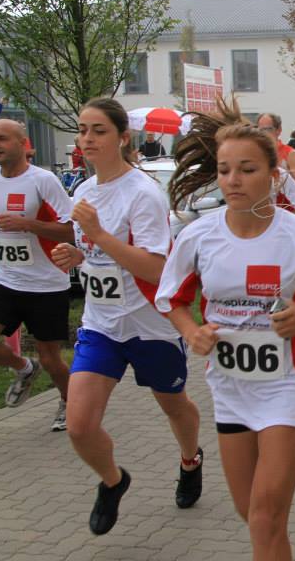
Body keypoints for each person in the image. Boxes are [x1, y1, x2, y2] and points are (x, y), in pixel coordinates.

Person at [157, 98, 295, 560]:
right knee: (253, 515)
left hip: (288, 385)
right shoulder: (198, 236)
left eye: (247, 169)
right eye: (225, 170)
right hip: (230, 387)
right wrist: (191, 332)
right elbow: (170, 298)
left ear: (273, 176)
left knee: (266, 516)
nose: (233, 180)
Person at [51, 98, 203, 535]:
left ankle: (190, 460)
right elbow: (101, 256)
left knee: (174, 405)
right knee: (79, 426)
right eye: (83, 130)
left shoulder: (143, 194)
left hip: (149, 325)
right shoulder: (84, 191)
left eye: (98, 130)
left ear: (122, 138)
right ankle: (113, 481)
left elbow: (155, 268)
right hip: (102, 325)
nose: (87, 139)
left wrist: (98, 235)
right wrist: (79, 254)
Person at [0, 119, 74, 430]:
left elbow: (72, 230)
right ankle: (23, 367)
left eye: (2, 138)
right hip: (6, 280)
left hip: (47, 284)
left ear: (23, 143)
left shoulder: (43, 181)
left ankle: (68, 402)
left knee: (51, 358)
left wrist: (28, 224)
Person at [257, 113, 295, 192]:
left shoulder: (290, 154)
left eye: (268, 129)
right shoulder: (255, 154)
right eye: (261, 130)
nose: (264, 133)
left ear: (279, 130)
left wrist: (279, 184)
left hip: (283, 198)